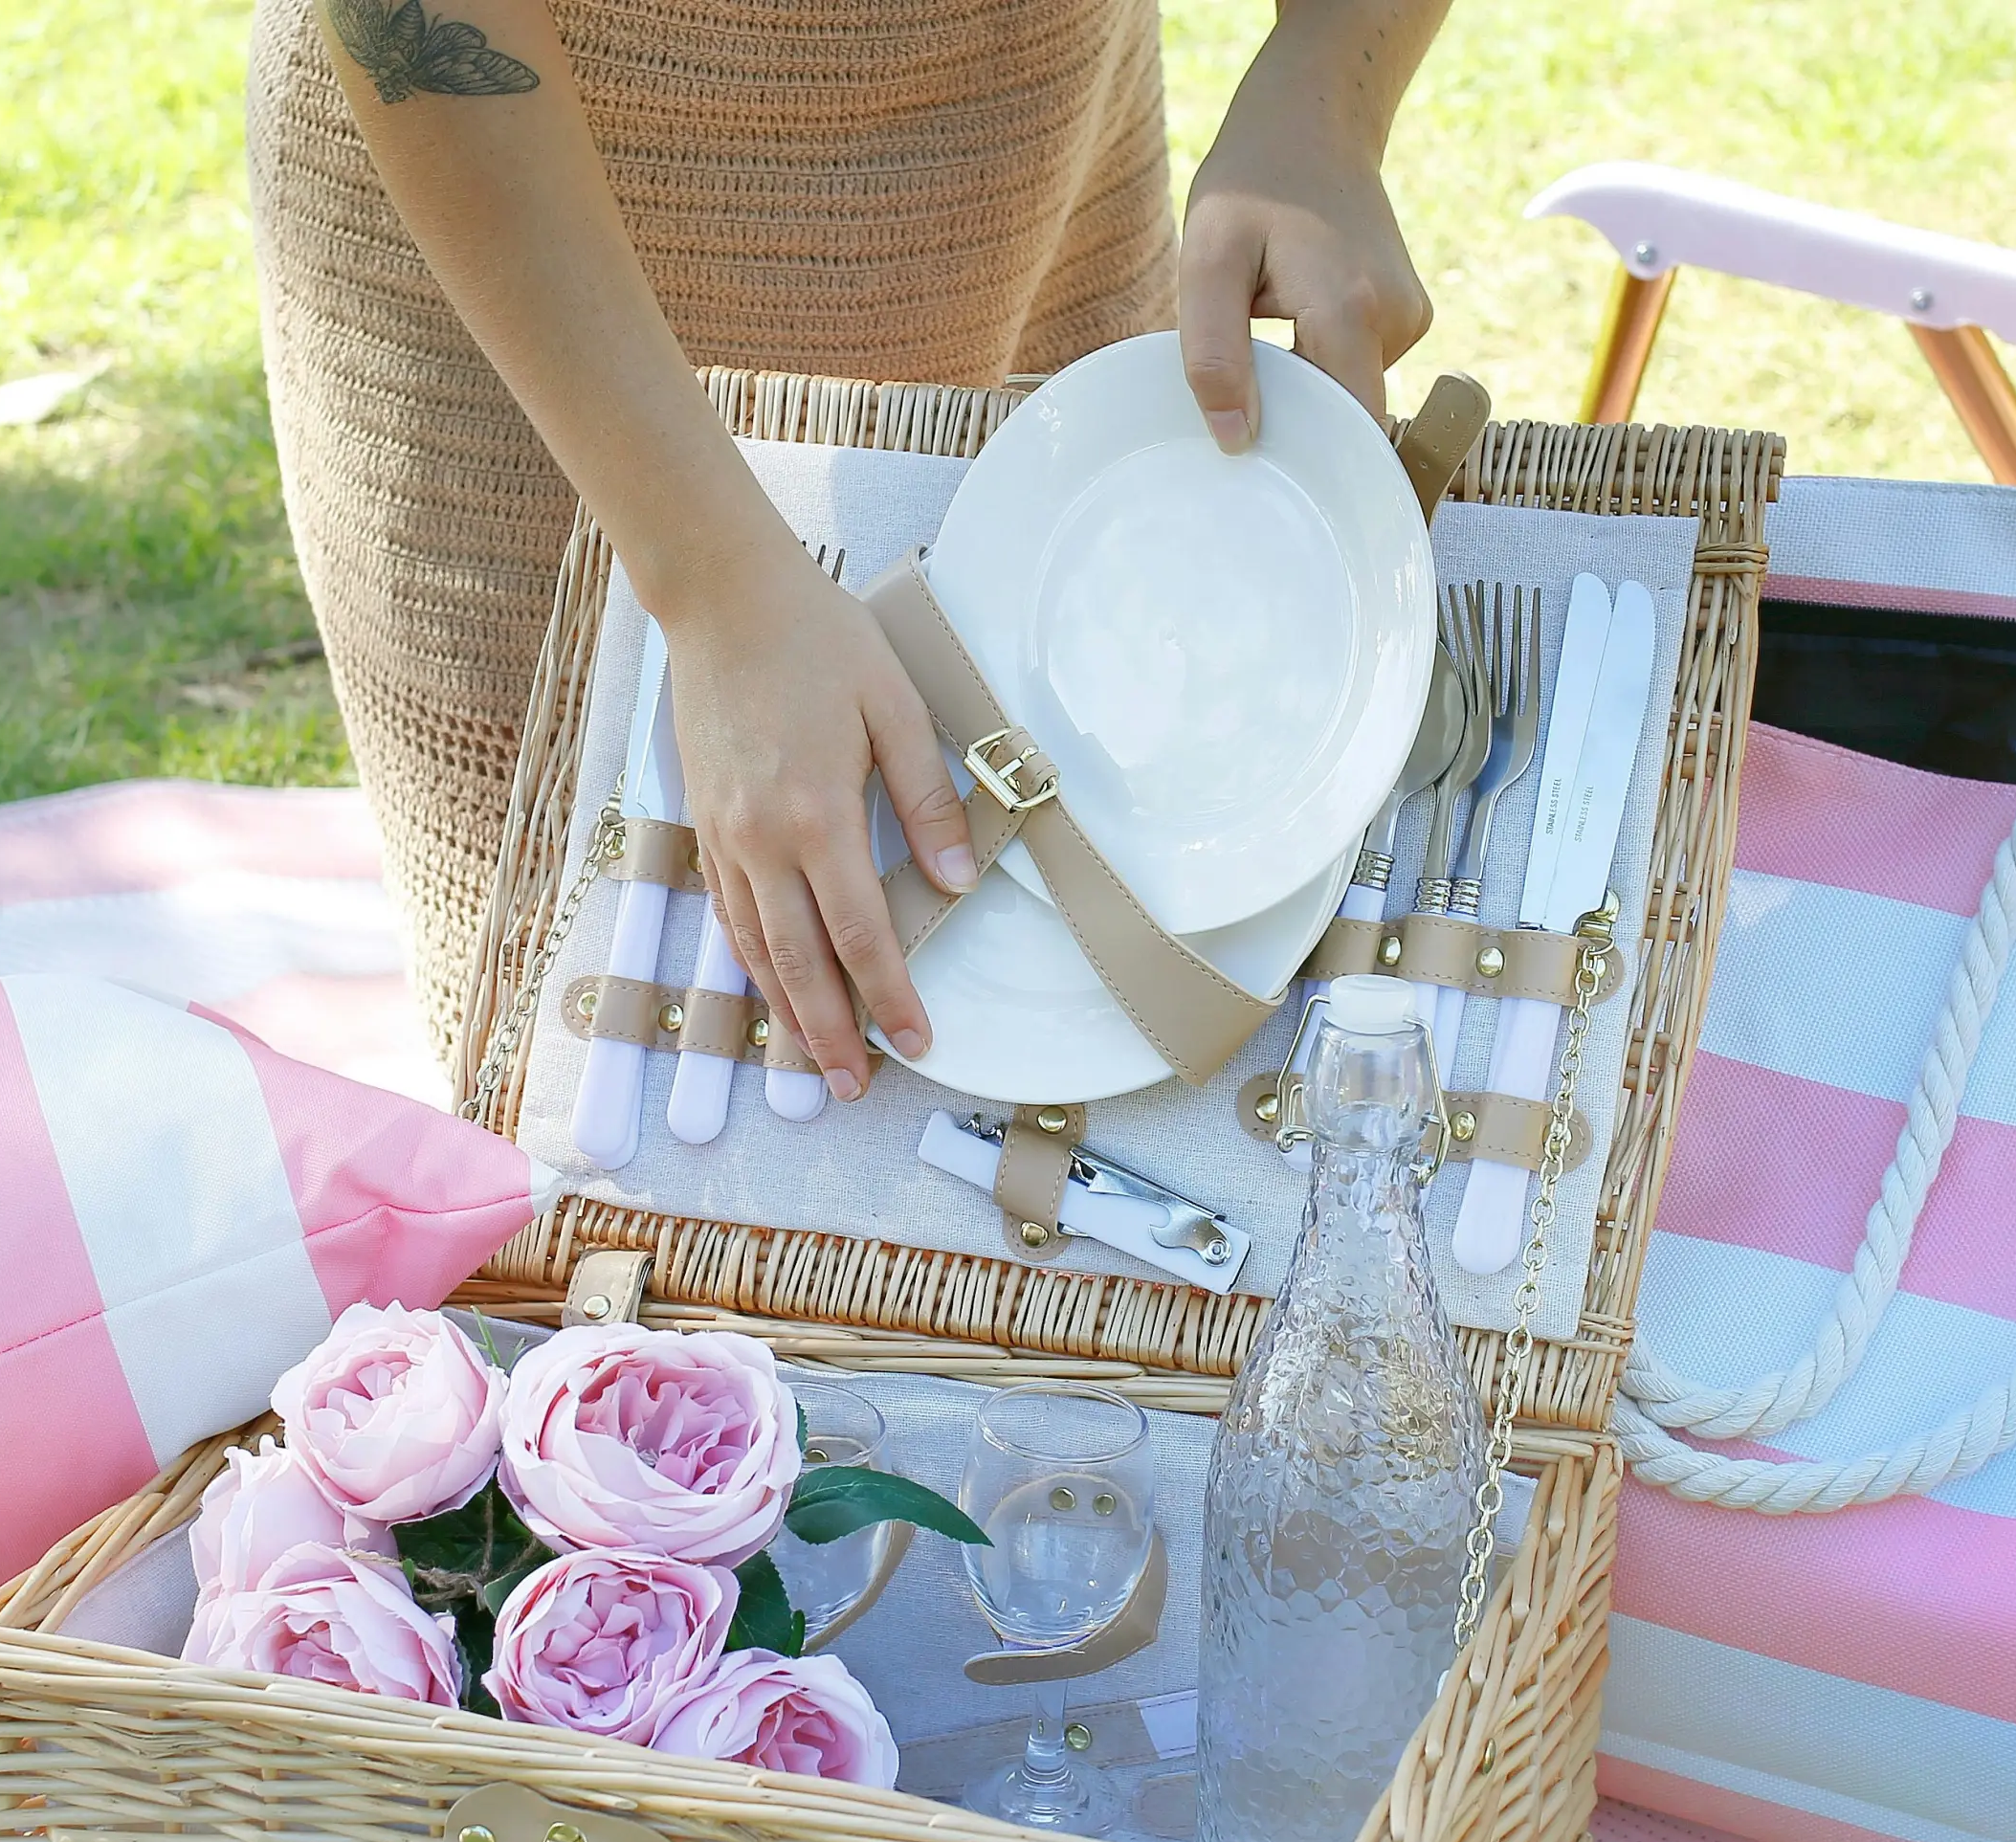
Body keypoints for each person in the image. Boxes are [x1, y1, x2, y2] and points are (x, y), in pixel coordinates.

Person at [252, 0, 1451, 1084]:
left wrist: (1321, 84)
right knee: (596, 1110)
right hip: (548, 289)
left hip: (1044, 188)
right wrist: (715, 587)